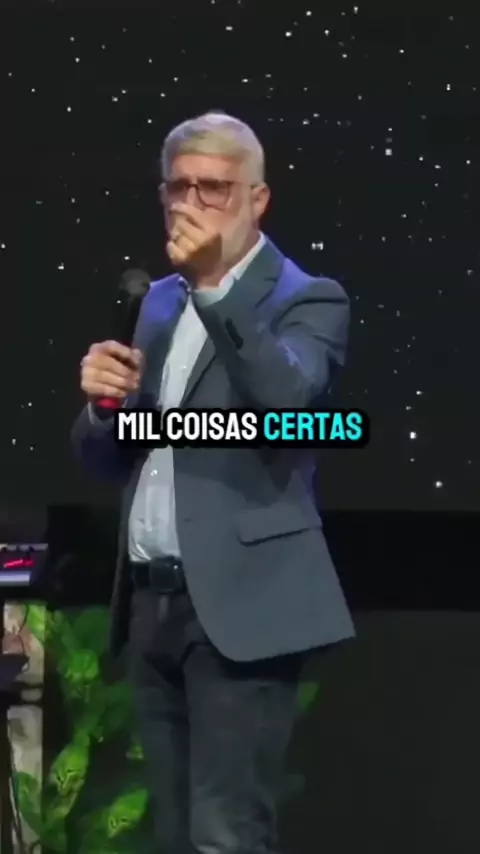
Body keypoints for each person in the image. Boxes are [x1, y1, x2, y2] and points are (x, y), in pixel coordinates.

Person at [72, 111, 355, 854]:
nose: (193, 203)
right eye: (180, 187)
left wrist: (215, 290)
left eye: (215, 188)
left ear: (258, 200)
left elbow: (289, 408)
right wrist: (103, 408)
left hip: (242, 602)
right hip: (153, 602)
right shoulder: (157, 302)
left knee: (225, 835)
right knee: (172, 833)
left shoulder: (307, 298)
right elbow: (108, 458)